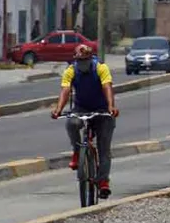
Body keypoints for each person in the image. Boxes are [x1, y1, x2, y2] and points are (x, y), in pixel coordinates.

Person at [50, 44, 120, 197]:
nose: (83, 63)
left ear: (91, 59)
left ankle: (103, 182)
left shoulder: (101, 68)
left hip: (102, 110)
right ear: (75, 60)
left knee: (104, 148)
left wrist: (111, 106)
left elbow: (107, 86)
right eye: (80, 60)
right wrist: (58, 109)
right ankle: (77, 151)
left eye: (86, 60)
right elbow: (66, 90)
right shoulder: (71, 71)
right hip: (81, 108)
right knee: (71, 123)